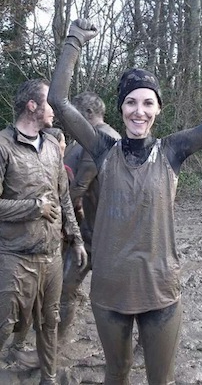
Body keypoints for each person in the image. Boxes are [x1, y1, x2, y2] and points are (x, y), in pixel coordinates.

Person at [48, 19, 202, 384]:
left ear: (158, 109)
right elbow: (58, 101)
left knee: (162, 379)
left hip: (161, 289)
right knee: (117, 375)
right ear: (121, 108)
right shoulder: (103, 149)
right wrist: (74, 41)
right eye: (131, 102)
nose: (139, 111)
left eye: (147, 103)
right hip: (109, 291)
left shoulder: (173, 150)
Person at [0, 79, 87, 385]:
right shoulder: (2, 146)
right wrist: (32, 207)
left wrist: (75, 238)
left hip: (51, 257)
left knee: (50, 322)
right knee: (4, 325)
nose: (57, 109)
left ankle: (48, 379)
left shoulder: (52, 146)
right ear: (32, 106)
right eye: (51, 102)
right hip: (13, 255)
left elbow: (63, 197)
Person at [58, 91, 121, 339]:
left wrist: (52, 213)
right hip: (97, 231)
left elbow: (78, 189)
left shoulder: (99, 138)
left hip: (104, 238)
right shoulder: (107, 136)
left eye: (73, 116)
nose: (69, 122)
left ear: (86, 115)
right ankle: (55, 347)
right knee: (68, 287)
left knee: (121, 299)